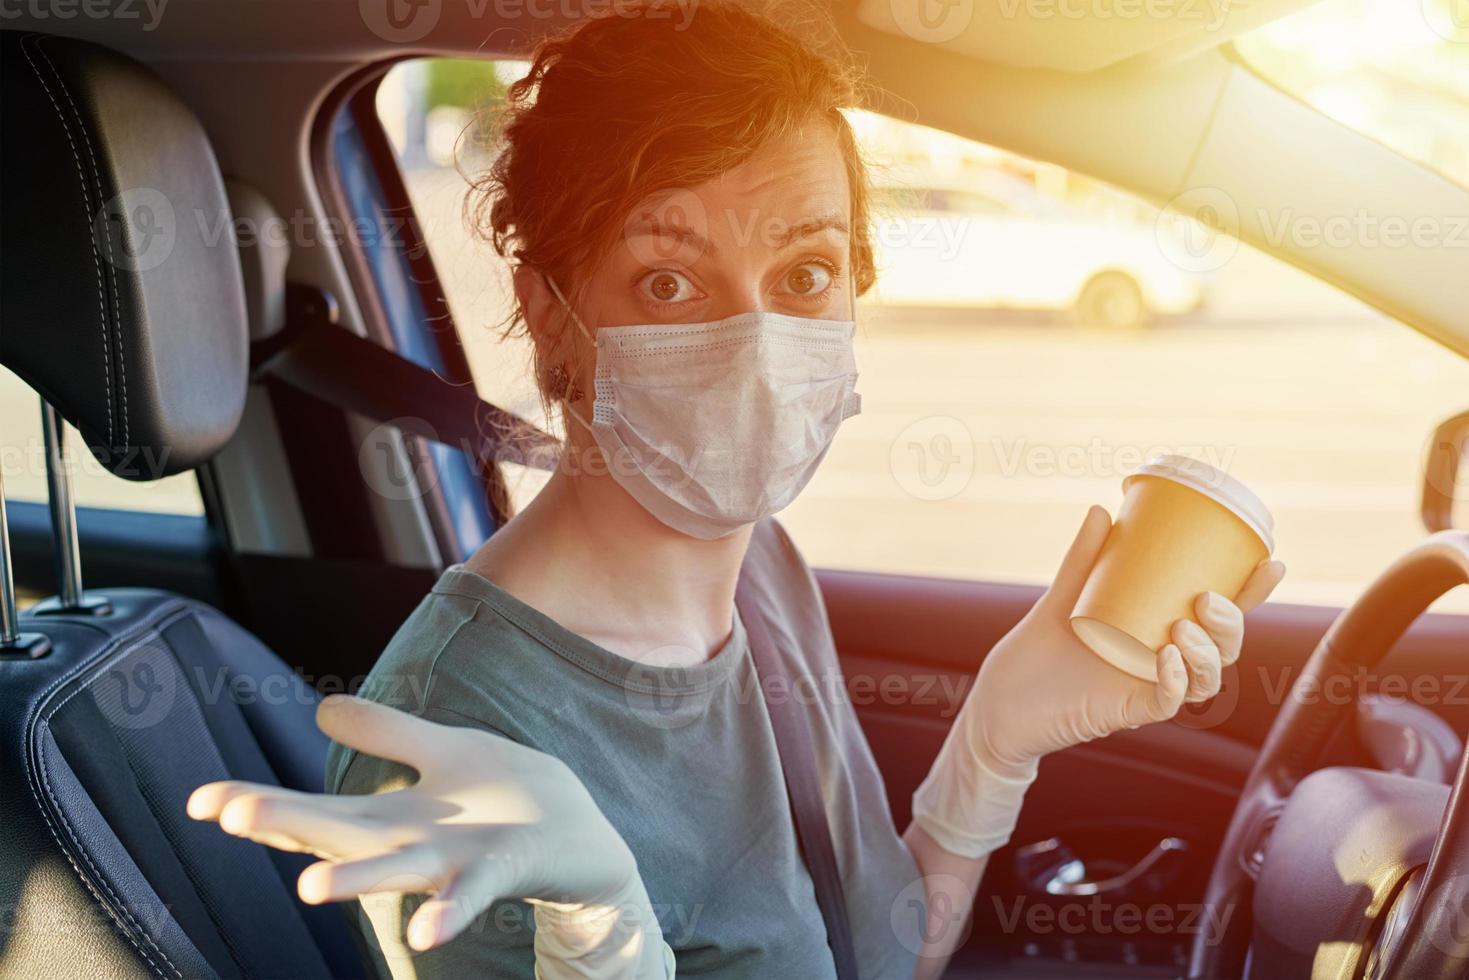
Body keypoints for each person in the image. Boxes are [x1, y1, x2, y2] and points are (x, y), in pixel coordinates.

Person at [188, 4, 1285, 978]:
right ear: (554, 315)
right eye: (668, 281)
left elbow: (877, 952)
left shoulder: (759, 564)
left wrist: (995, 740)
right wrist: (603, 944)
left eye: (804, 274)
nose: (757, 341)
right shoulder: (448, 736)